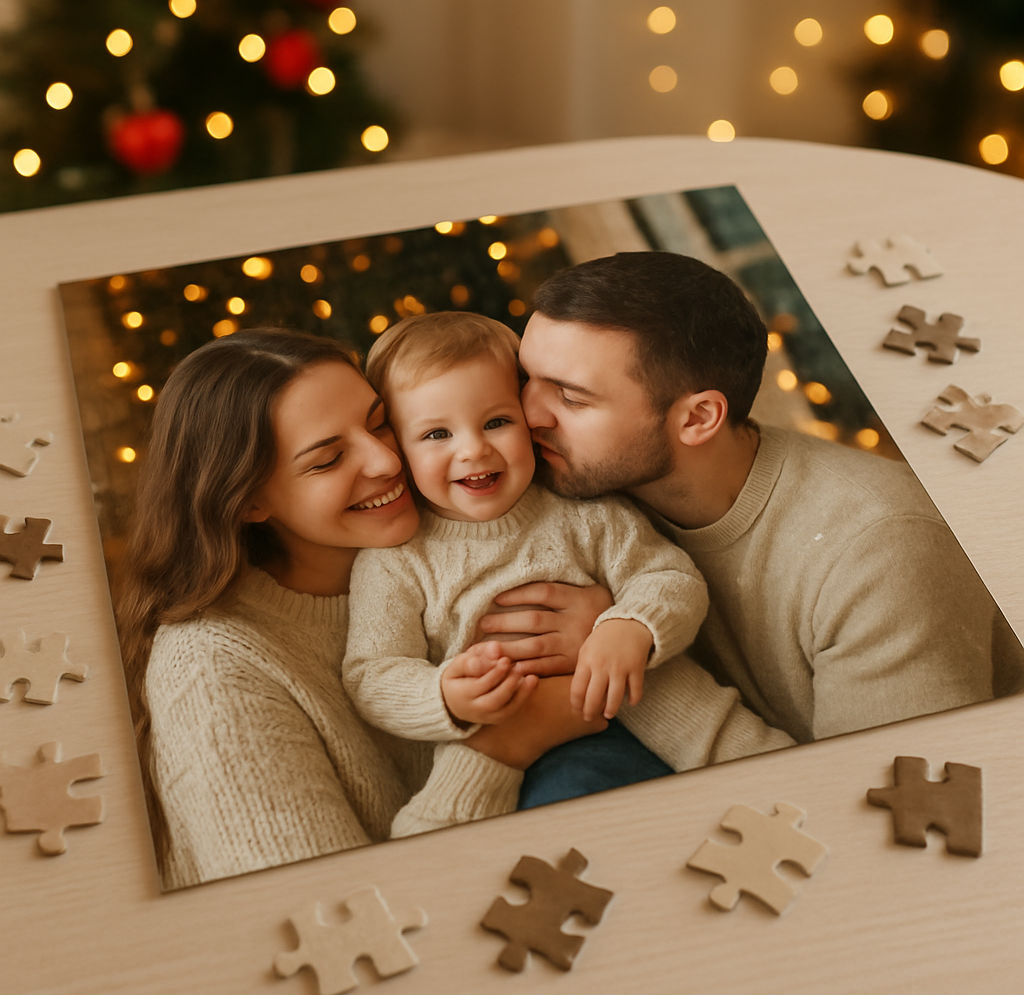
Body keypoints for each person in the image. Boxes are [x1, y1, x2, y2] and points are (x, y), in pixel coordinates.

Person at [115, 329, 608, 890]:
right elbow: (331, 920)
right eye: (327, 460)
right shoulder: (211, 670)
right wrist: (503, 746)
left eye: (379, 423)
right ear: (249, 500)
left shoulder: (480, 528)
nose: (385, 459)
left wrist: (609, 620)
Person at [507, 250, 1023, 745]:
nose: (528, 415)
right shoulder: (565, 488)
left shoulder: (880, 549)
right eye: (526, 378)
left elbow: (876, 797)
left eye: (571, 397)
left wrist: (624, 666)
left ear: (697, 418)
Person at [342, 312, 793, 803]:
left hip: (670, 710)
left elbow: (669, 577)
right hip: (520, 753)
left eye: (496, 422)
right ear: (399, 450)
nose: (473, 449)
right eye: (436, 435)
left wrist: (631, 625)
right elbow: (373, 672)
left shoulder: (581, 511)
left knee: (786, 782)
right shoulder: (396, 560)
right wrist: (444, 695)